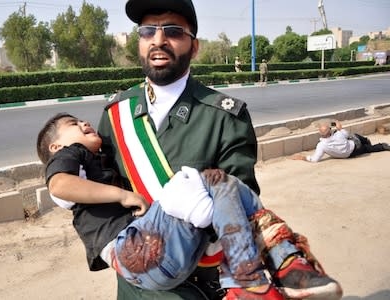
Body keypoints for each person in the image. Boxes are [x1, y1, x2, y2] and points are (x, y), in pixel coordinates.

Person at [51, 1, 343, 299]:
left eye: (174, 31)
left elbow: (243, 208)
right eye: (148, 30)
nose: (158, 40)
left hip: (198, 286)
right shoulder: (116, 113)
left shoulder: (225, 117)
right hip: (135, 287)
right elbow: (97, 187)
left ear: (194, 47)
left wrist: (203, 214)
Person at [37, 112, 287, 298]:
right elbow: (59, 186)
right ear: (56, 147)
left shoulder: (96, 160)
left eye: (81, 120)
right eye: (73, 124)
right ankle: (265, 261)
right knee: (196, 181)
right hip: (133, 252)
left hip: (165, 265)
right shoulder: (70, 155)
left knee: (226, 184)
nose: (84, 123)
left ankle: (280, 262)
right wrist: (123, 196)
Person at [292, 120, 390, 162]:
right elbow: (347, 134)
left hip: (347, 156)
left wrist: (302, 157)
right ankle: (369, 141)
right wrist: (339, 127)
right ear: (330, 130)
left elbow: (314, 159)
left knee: (366, 148)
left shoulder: (321, 145)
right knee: (355, 136)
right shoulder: (340, 133)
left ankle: (379, 146)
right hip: (354, 148)